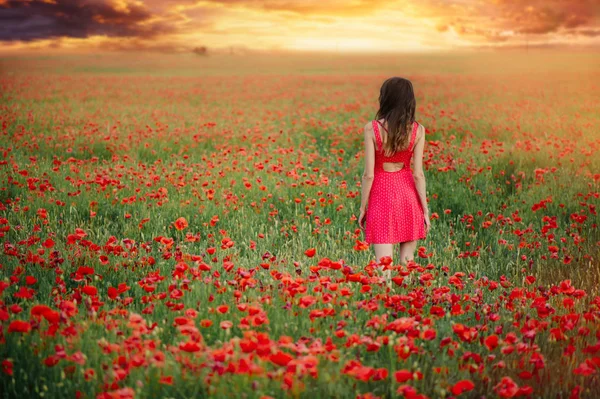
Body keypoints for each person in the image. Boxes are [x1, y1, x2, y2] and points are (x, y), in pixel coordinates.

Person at [358, 77, 430, 279]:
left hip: (381, 198)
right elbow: (418, 174)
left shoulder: (371, 129)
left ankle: (386, 305)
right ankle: (406, 303)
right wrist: (424, 209)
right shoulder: (418, 130)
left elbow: (369, 174)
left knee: (384, 267)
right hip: (408, 198)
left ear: (386, 98)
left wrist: (363, 207)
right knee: (407, 262)